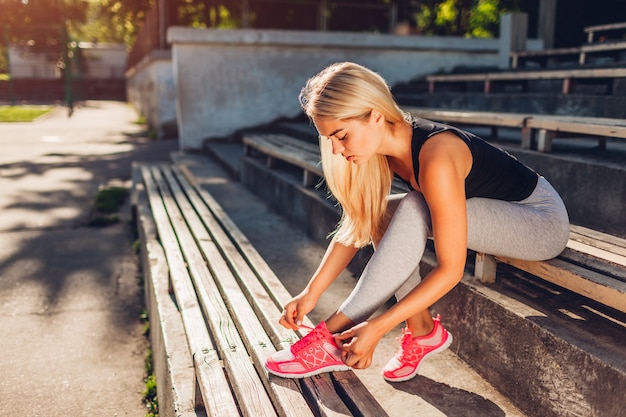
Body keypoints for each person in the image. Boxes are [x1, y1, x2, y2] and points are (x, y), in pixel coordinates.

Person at [264, 62, 570, 381]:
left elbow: (451, 269)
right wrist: (311, 293)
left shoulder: (436, 154)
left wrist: (378, 326)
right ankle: (422, 332)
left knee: (413, 205)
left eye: (341, 136)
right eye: (331, 141)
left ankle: (330, 336)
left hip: (539, 221)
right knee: (381, 213)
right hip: (494, 211)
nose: (338, 150)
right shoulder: (382, 153)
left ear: (376, 116)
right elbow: (358, 224)